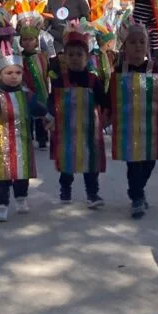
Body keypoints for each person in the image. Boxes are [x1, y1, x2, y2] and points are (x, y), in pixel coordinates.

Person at [110, 23, 158, 218]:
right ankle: (136, 196)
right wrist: (104, 115)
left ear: (147, 46)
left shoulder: (156, 70)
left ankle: (138, 188)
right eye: (132, 42)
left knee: (149, 162)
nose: (137, 46)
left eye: (141, 42)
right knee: (134, 164)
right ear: (124, 46)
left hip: (152, 128)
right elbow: (110, 97)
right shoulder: (119, 72)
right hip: (129, 128)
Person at [0, 40, 48, 222]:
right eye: (9, 73)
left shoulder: (27, 95)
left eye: (18, 73)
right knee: (1, 177)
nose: (14, 76)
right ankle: (1, 204)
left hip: (22, 142)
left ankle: (21, 197)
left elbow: (40, 109)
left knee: (22, 173)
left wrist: (50, 118)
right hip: (0, 144)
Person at [46, 21, 108, 208]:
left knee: (91, 164)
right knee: (66, 164)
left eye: (79, 54)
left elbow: (103, 100)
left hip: (89, 131)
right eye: (70, 54)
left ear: (87, 57)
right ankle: (65, 191)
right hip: (67, 131)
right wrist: (49, 117)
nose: (74, 58)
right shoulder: (60, 80)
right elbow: (52, 100)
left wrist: (107, 116)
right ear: (64, 56)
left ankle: (92, 194)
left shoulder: (93, 80)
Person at [11, 0, 50, 150]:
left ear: (36, 41)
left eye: (31, 40)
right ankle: (27, 136)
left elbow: (47, 70)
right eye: (24, 40)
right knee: (26, 114)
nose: (27, 43)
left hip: (41, 90)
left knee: (41, 113)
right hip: (26, 90)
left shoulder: (42, 56)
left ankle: (42, 138)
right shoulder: (19, 58)